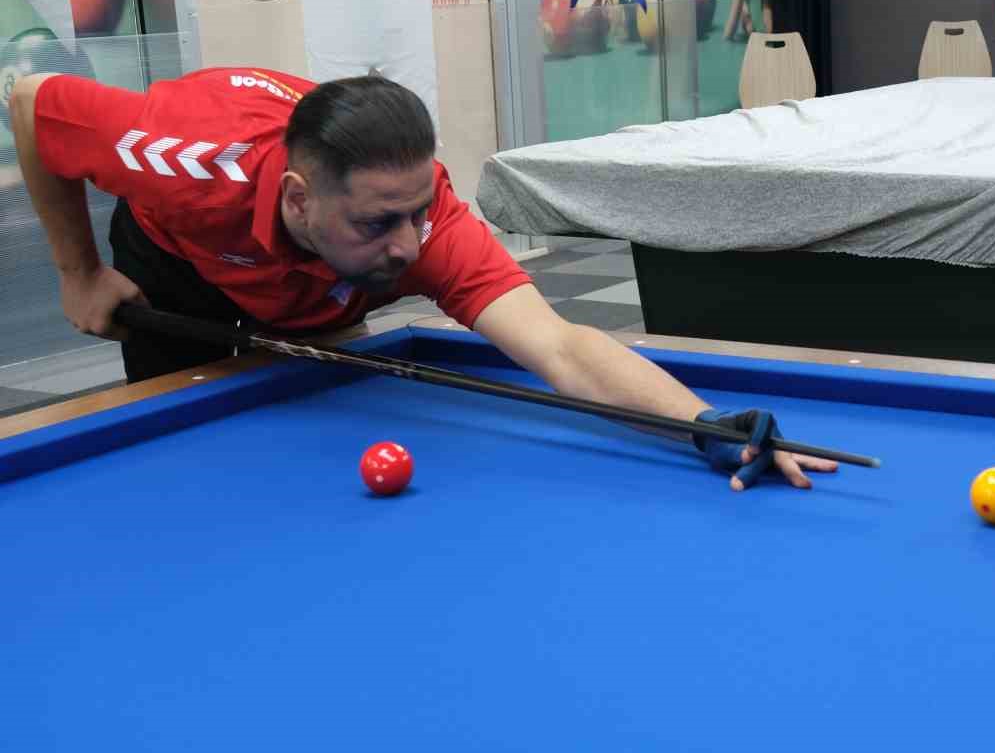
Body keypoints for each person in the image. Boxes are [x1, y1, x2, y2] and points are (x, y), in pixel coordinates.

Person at [8, 67, 835, 490]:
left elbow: (560, 347)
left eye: (417, 212)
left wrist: (704, 422)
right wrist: (79, 273)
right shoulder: (180, 155)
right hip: (181, 268)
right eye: (379, 223)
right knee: (178, 459)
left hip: (320, 291)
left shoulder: (421, 230)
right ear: (299, 200)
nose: (409, 248)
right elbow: (32, 101)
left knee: (317, 414)